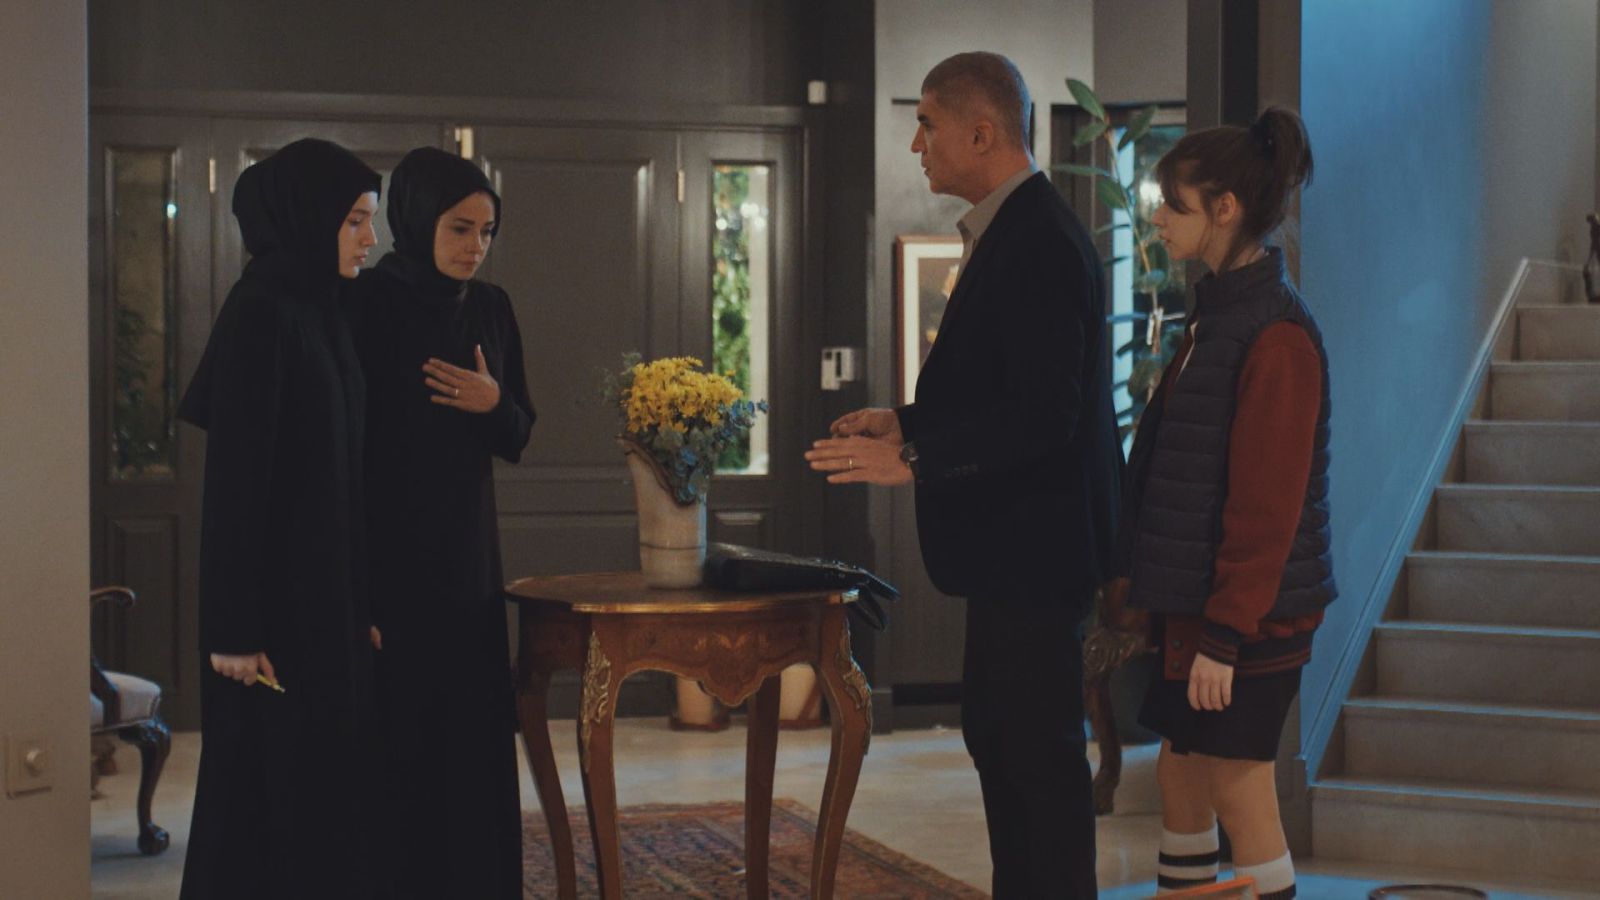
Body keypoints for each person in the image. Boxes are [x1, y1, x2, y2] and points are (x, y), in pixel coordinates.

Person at [806, 52, 1120, 898]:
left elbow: (1045, 417)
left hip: (1037, 559)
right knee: (1001, 750)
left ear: (982, 134)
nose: (916, 144)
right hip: (1010, 561)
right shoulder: (1013, 229)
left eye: (926, 124)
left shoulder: (1040, 239)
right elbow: (999, 392)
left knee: (1038, 773)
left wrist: (913, 458)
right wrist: (905, 421)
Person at [1116, 107, 1325, 899]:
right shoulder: (1220, 317)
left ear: (1225, 209)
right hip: (1203, 610)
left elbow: (1266, 508)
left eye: (1174, 205)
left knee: (1240, 787)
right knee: (1181, 775)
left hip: (1248, 619)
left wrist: (1226, 635)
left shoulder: (1276, 335)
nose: (1159, 219)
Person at [176, 137, 383, 899]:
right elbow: (237, 485)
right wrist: (233, 630)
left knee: (324, 800)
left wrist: (358, 607)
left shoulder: (323, 308)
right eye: (355, 221)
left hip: (325, 608)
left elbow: (343, 477)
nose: (369, 239)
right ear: (307, 218)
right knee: (264, 808)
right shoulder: (260, 313)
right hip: (270, 621)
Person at [344, 146, 535, 900]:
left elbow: (518, 434)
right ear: (418, 218)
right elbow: (345, 446)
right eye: (460, 228)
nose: (475, 247)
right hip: (387, 555)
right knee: (398, 741)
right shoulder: (363, 302)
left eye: (487, 232)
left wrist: (493, 404)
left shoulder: (491, 307)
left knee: (469, 736)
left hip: (465, 559)